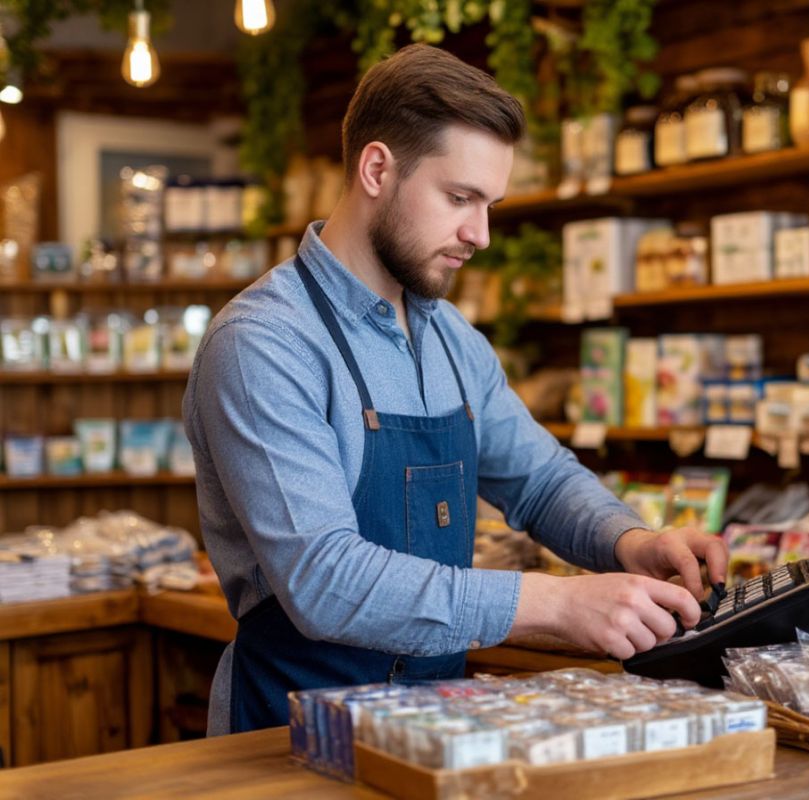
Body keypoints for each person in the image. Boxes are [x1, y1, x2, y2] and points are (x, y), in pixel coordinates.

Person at [184, 43, 728, 736]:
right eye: (460, 198)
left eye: (490, 204)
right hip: (285, 739)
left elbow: (539, 479)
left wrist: (629, 542)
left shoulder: (449, 338)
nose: (482, 234)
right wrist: (555, 604)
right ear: (377, 168)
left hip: (431, 732)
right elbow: (324, 580)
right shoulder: (264, 343)